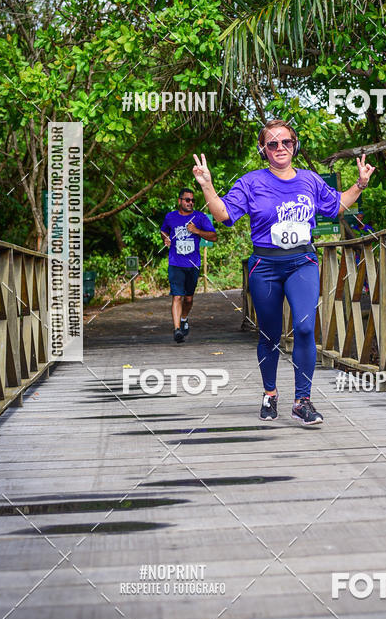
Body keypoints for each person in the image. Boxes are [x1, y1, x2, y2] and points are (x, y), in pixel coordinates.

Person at [192, 119, 374, 426]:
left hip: (302, 261)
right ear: (263, 150)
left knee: (304, 328)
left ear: (295, 145)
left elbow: (336, 206)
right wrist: (206, 185)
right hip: (265, 266)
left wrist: (360, 184)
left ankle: (303, 401)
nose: (280, 148)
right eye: (272, 144)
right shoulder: (250, 182)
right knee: (270, 333)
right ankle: (270, 394)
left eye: (286, 142)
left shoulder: (309, 180)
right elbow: (223, 215)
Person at [160, 188, 217, 342]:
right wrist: (165, 239)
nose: (190, 203)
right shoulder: (170, 217)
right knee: (177, 296)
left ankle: (184, 319)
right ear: (180, 201)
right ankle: (177, 329)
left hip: (193, 264)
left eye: (192, 200)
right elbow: (164, 231)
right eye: (187, 200)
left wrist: (197, 231)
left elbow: (214, 236)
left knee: (189, 299)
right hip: (175, 263)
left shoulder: (200, 217)